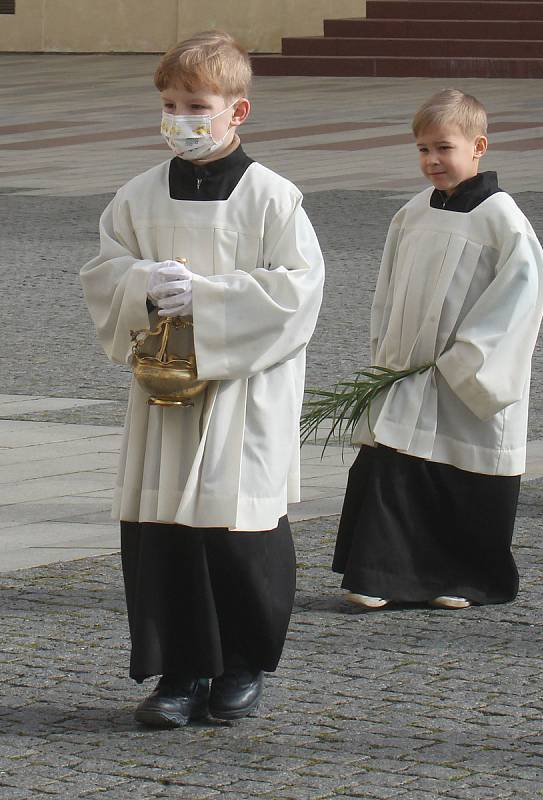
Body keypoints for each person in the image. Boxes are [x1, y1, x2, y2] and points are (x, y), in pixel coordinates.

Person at [80, 30, 324, 728]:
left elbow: (298, 294)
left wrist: (210, 301)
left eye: (196, 104)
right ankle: (178, 672)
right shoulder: (137, 195)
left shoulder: (274, 199)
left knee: (236, 528)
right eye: (169, 103)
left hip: (243, 394)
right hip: (165, 395)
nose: (179, 118)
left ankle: (242, 664)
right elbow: (104, 273)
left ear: (236, 111)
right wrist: (142, 284)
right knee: (165, 533)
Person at [332, 89, 543, 611]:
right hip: (407, 370)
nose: (432, 161)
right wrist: (385, 351)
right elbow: (388, 286)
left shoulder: (502, 220)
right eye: (423, 149)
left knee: (457, 474)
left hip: (462, 374)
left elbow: (519, 300)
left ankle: (464, 577)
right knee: (396, 466)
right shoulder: (411, 213)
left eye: (444, 148)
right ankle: (381, 574)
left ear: (478, 147)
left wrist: (464, 360)